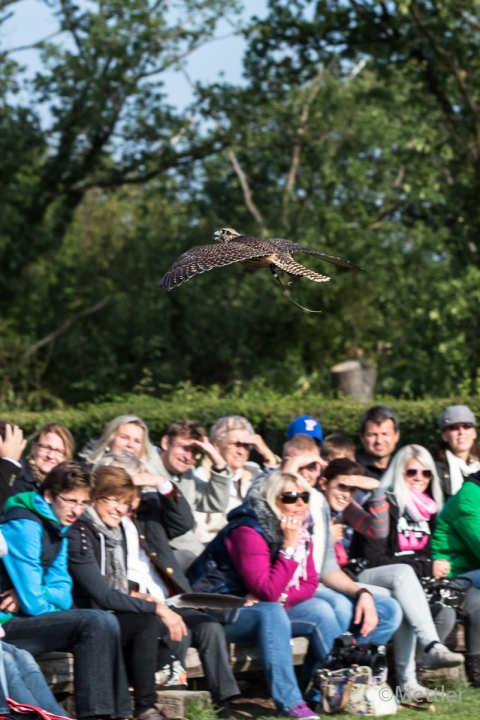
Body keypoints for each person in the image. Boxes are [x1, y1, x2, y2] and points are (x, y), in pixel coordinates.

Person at [189, 471, 402, 718]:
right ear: (272, 500)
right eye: (290, 497)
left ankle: (337, 690)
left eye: (304, 496)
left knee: (320, 611)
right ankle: (290, 703)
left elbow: (310, 583)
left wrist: (280, 596)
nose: (300, 503)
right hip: (221, 608)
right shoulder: (247, 531)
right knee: (272, 612)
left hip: (266, 605)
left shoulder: (300, 531)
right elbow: (266, 589)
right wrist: (288, 549)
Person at [68, 462, 240, 717]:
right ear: (96, 496)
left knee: (208, 626)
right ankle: (159, 696)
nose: (122, 507)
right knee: (159, 625)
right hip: (115, 607)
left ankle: (223, 704)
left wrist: (160, 481)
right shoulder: (90, 530)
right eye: (114, 498)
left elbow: (184, 521)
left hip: (160, 598)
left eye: (125, 500)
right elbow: (104, 588)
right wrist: (146, 601)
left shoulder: (140, 517)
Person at [0, 460, 131, 720]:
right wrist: (37, 595)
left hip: (25, 618)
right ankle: (96, 715)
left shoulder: (59, 526)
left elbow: (63, 593)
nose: (77, 510)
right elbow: (35, 604)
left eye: (83, 503)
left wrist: (39, 592)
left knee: (106, 620)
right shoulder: (24, 525)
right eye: (71, 500)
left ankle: (119, 714)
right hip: (7, 624)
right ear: (49, 495)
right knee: (94, 622)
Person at [348, 446, 466, 692]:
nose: (419, 478)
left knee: (433, 606)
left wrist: (431, 566)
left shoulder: (430, 510)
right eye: (411, 471)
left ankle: (409, 682)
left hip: (406, 582)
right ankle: (431, 647)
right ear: (398, 472)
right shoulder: (382, 504)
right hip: (368, 576)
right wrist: (424, 566)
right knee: (404, 576)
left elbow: (427, 555)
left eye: (426, 473)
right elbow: (374, 558)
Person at [194, 416, 279, 545]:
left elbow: (282, 491)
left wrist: (268, 456)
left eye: (246, 446)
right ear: (216, 445)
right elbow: (198, 534)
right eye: (236, 444)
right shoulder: (200, 478)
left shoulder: (254, 474)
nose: (241, 451)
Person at [318, 459, 388, 567]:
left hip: (337, 572)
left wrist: (377, 490)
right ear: (323, 484)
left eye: (352, 489)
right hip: (313, 576)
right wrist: (327, 536)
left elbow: (378, 531)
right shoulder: (309, 506)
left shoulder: (346, 509)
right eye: (341, 487)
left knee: (402, 571)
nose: (346, 495)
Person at [0, 421, 74, 497]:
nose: (50, 456)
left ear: (67, 456)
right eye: (46, 447)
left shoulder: (70, 484)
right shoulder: (16, 475)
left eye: (59, 451)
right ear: (33, 447)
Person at [431, 405, 480, 498]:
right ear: (444, 435)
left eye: (467, 426)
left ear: (474, 433)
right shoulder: (434, 468)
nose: (461, 432)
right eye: (454, 427)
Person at [357, 406, 400, 481]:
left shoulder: (405, 468)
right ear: (362, 438)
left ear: (396, 436)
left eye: (385, 434)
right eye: (372, 434)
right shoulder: (351, 468)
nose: (379, 441)